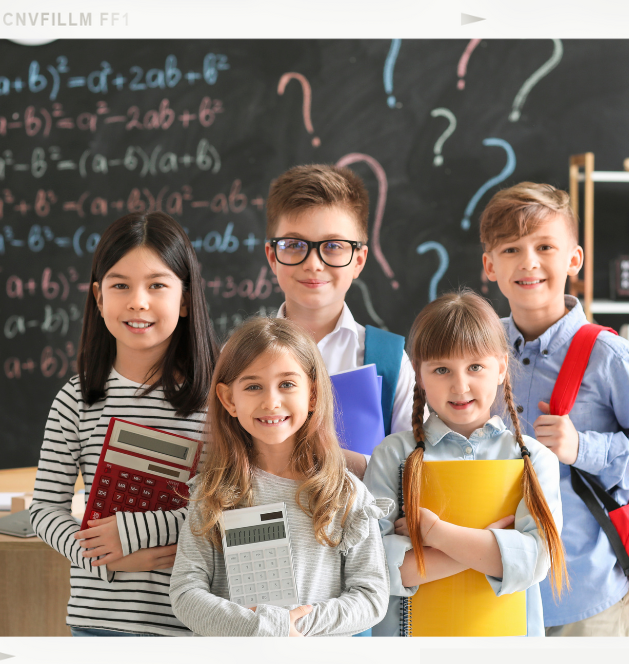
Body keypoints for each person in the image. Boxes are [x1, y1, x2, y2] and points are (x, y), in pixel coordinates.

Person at [479, 183, 629, 636]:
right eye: (511, 249)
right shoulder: (479, 348)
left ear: (573, 259)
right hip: (493, 590)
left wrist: (583, 446)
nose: (529, 262)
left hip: (584, 597)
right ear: (489, 266)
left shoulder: (609, 356)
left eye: (545, 246)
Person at [29, 211, 220, 636]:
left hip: (192, 625)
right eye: (120, 285)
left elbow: (229, 506)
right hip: (98, 622)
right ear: (98, 298)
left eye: (157, 285)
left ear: (185, 298)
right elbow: (44, 509)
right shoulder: (75, 400)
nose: (138, 301)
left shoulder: (218, 404)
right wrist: (104, 554)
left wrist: (132, 531)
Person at [363, 291, 566, 636]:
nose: (460, 385)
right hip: (411, 654)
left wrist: (434, 534)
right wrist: (492, 544)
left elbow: (535, 561)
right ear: (419, 374)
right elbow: (377, 567)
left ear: (501, 367)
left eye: (475, 367)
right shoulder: (392, 456)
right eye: (442, 369)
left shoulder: (534, 459)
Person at [169, 317, 388, 636]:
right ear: (229, 399)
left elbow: (371, 597)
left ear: (312, 395)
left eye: (287, 384)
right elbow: (186, 595)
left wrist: (295, 626)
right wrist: (263, 627)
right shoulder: (211, 493)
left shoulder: (346, 494)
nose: (271, 401)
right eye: (253, 386)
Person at [265, 164, 416, 476]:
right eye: (294, 245)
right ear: (271, 255)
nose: (313, 264)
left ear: (359, 260)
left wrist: (336, 459)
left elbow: (415, 470)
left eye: (333, 246)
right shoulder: (236, 358)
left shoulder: (389, 361)